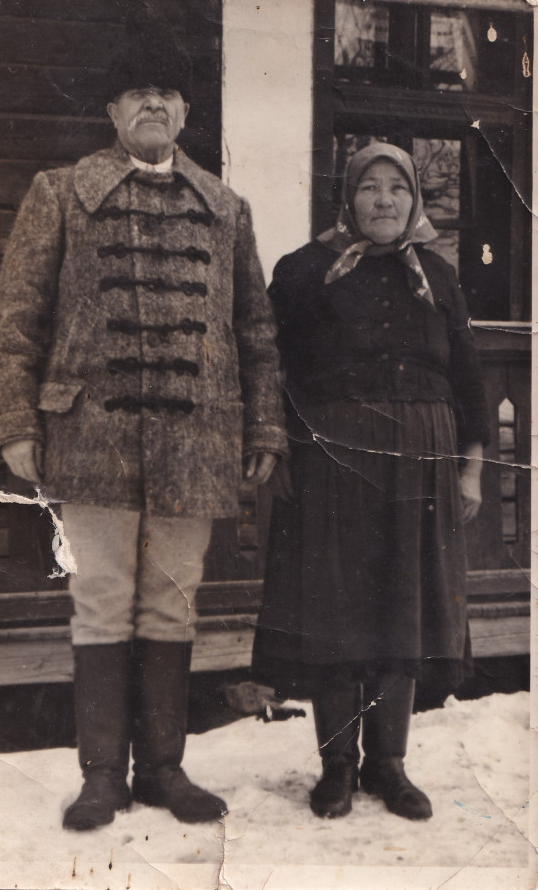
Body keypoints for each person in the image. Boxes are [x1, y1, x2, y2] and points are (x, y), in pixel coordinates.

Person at [0, 22, 286, 831]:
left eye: (166, 93)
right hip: (90, 438)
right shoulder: (59, 193)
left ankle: (162, 770)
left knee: (171, 605)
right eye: (136, 92)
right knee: (101, 602)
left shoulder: (226, 208)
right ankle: (100, 777)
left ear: (184, 112)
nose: (153, 103)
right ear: (112, 111)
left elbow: (255, 331)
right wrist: (16, 423)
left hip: (195, 443)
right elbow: (17, 319)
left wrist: (263, 427)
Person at [252, 142, 489, 822]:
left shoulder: (436, 274)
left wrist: (471, 466)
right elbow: (267, 366)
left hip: (421, 456)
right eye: (369, 187)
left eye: (398, 188)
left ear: (414, 200)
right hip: (333, 458)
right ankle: (337, 766)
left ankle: (389, 764)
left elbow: (466, 376)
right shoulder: (304, 270)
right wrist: (275, 446)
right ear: (347, 197)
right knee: (336, 607)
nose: (384, 200)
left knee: (403, 606)